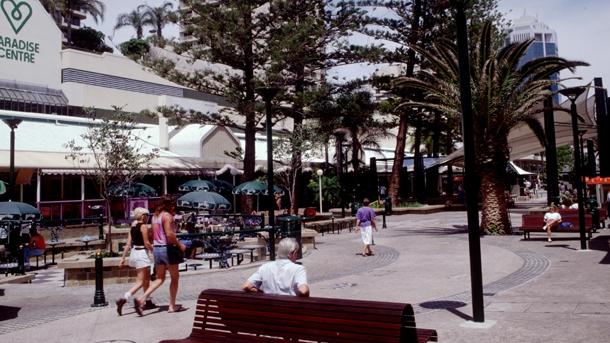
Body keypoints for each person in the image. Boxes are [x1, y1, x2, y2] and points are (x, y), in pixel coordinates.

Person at [135, 199, 187, 315]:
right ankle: (172, 305)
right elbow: (169, 234)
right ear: (168, 205)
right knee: (175, 278)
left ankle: (141, 298)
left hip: (157, 249)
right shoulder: (167, 216)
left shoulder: (154, 217)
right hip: (168, 248)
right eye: (173, 205)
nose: (174, 208)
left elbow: (152, 234)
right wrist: (179, 244)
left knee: (160, 278)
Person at [116, 207, 155, 316]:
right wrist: (155, 251)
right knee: (141, 282)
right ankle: (124, 298)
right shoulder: (143, 226)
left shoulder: (132, 227)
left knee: (146, 280)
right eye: (147, 215)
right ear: (143, 216)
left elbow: (128, 244)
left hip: (135, 253)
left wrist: (123, 258)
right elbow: (147, 243)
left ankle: (148, 301)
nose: (148, 218)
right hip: (142, 254)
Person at [242, 238, 309, 297]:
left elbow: (246, 286)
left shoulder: (265, 267)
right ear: (293, 253)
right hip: (289, 308)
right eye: (297, 253)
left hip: (269, 307)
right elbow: (303, 291)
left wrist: (260, 292)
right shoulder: (298, 269)